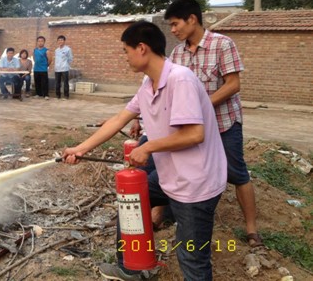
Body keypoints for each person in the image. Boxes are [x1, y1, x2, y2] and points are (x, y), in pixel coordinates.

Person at [63, 20, 227, 281]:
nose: (125, 58)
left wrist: (148, 146)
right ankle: (132, 267)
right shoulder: (148, 85)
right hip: (170, 177)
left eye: (126, 51)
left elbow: (195, 134)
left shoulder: (179, 79)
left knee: (192, 258)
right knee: (131, 202)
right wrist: (80, 149)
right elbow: (119, 119)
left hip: (196, 184)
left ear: (141, 48)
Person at [165, 0, 262, 247]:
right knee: (188, 171)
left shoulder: (222, 44)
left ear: (192, 19)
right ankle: (174, 217)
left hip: (224, 124)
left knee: (236, 173)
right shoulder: (177, 53)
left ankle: (252, 229)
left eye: (176, 24)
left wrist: (201, 106)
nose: (173, 30)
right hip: (192, 130)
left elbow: (233, 84)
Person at [54, 35, 73, 100]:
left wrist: (66, 64)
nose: (60, 41)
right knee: (57, 83)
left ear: (64, 41)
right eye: (59, 40)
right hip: (57, 69)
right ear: (57, 41)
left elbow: (70, 59)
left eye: (61, 40)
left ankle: (66, 96)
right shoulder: (56, 50)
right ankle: (58, 95)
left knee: (65, 82)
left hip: (65, 68)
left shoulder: (68, 49)